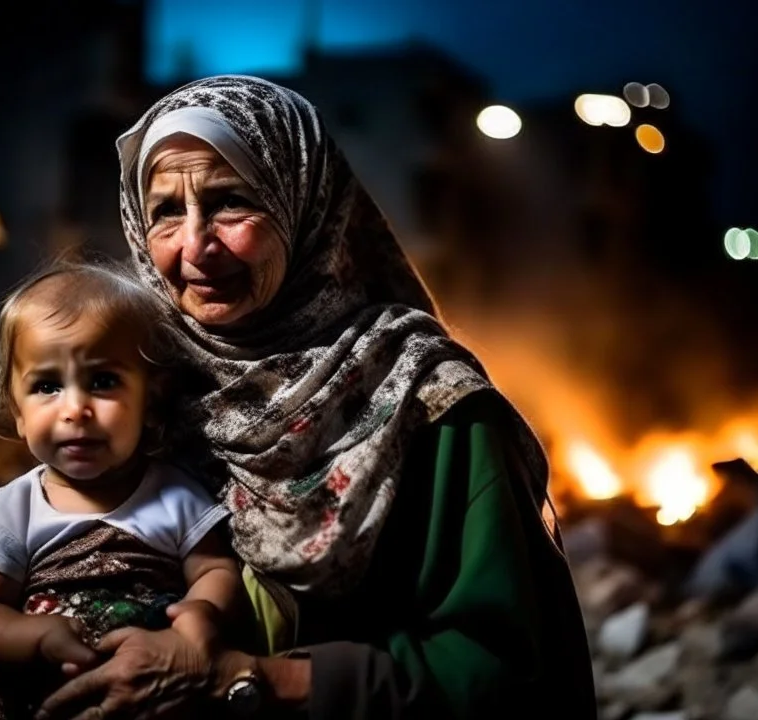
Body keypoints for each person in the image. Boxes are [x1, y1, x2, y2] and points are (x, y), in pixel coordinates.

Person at [35, 75, 598, 719]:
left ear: (307, 209)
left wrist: (248, 679)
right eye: (166, 210)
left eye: (231, 202)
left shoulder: (432, 406)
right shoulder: (141, 390)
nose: (195, 246)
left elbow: (509, 675)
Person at [0, 261, 244, 719]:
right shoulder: (15, 510)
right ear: (18, 412)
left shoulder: (175, 496)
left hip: (152, 699)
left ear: (151, 400)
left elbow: (215, 570)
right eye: (47, 386)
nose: (75, 409)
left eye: (103, 382)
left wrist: (202, 613)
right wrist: (37, 637)